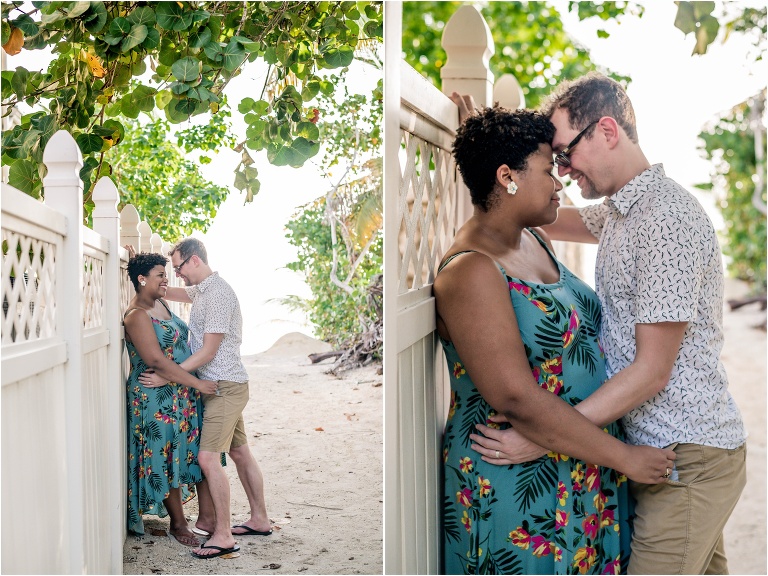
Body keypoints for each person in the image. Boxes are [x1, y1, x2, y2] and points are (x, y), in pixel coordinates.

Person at [469, 73, 748, 574]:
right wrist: (488, 152)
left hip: (686, 458)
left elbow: (652, 371)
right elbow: (542, 211)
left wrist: (545, 435)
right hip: (659, 450)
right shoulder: (621, 212)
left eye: (565, 152)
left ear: (607, 131)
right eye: (553, 160)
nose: (562, 168)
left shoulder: (666, 219)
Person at [434, 104, 675, 574]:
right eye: (549, 169)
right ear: (508, 176)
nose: (560, 180)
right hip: (517, 485)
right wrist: (625, 458)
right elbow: (516, 398)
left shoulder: (533, 239)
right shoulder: (472, 271)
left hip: (581, 469)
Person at [141, 238, 272, 560]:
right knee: (240, 453)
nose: (176, 276)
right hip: (224, 384)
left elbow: (208, 352)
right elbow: (166, 293)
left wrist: (168, 374)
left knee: (208, 459)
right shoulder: (203, 291)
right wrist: (142, 273)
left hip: (223, 386)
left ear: (195, 260)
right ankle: (259, 519)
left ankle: (223, 535)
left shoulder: (217, 295)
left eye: (179, 268)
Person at [123, 252, 219, 548]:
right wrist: (198, 383)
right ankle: (178, 524)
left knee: (187, 453)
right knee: (163, 457)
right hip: (154, 398)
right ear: (142, 280)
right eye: (160, 275)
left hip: (181, 395)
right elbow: (156, 360)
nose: (167, 279)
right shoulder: (136, 315)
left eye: (166, 274)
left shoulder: (161, 302)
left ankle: (207, 517)